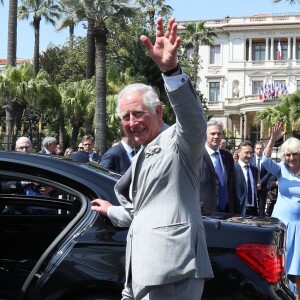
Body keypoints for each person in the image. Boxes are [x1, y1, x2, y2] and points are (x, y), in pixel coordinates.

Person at [91, 17, 213, 300]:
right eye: (126, 117)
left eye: (138, 113)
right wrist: (110, 211)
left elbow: (194, 122)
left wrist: (170, 71)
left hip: (173, 271)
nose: (132, 122)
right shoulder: (143, 152)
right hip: (141, 272)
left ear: (158, 112)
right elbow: (142, 212)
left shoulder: (179, 141)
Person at [262, 123, 300, 299]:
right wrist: (272, 140)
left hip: (298, 226)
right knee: (279, 264)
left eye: (295, 154)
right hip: (281, 225)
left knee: (297, 268)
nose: (291, 158)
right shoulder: (281, 169)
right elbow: (265, 161)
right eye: (287, 155)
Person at [200, 120, 237, 213]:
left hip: (227, 210)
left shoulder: (227, 157)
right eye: (213, 133)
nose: (216, 136)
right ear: (205, 134)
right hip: (204, 211)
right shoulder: (197, 156)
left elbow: (232, 184)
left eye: (219, 133)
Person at [234, 141, 259, 216]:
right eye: (246, 152)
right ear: (238, 152)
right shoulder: (232, 169)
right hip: (238, 211)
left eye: (251, 153)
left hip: (252, 211)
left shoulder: (254, 170)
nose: (249, 155)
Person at [250, 141, 271, 217]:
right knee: (252, 206)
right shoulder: (251, 159)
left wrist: (260, 182)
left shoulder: (267, 159)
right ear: (254, 149)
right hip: (253, 187)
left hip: (263, 186)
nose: (259, 150)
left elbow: (269, 173)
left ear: (263, 149)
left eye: (261, 148)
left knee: (262, 207)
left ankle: (261, 222)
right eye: (257, 148)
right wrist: (255, 183)